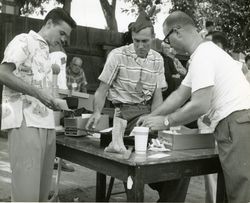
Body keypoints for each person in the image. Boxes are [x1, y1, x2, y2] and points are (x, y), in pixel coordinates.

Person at [138, 10, 250, 203]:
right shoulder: (205, 53)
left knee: (241, 195)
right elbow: (179, 95)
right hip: (236, 123)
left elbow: (200, 104)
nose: (167, 44)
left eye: (166, 38)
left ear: (177, 32)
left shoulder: (203, 56)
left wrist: (165, 121)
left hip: (236, 123)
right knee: (230, 193)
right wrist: (152, 117)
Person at [86, 10, 190, 202]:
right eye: (136, 41)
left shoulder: (158, 59)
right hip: (123, 114)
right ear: (132, 38)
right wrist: (96, 111)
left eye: (145, 41)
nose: (140, 46)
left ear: (153, 38)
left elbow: (158, 94)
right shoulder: (117, 55)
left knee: (181, 163)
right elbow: (102, 89)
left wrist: (157, 119)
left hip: (148, 111)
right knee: (139, 155)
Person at [0, 8, 76, 201]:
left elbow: (41, 89)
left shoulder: (48, 53)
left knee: (41, 195)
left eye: (66, 37)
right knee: (26, 196)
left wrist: (54, 100)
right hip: (24, 121)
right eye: (62, 33)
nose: (63, 40)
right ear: (49, 23)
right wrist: (39, 93)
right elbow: (3, 73)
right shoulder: (23, 40)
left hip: (46, 124)